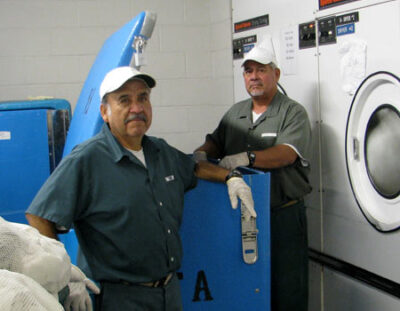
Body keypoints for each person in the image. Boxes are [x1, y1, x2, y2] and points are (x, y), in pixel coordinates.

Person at [26, 66, 256, 311]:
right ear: (105, 112)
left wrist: (230, 177)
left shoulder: (159, 150)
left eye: (143, 98)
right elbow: (39, 216)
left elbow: (193, 168)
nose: (136, 108)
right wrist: (65, 276)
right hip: (119, 297)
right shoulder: (87, 159)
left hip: (169, 291)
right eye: (124, 100)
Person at [194, 42, 312, 311]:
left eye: (261, 70)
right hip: (240, 215)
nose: (254, 77)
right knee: (246, 285)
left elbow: (287, 154)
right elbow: (215, 141)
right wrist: (200, 154)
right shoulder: (235, 112)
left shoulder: (292, 112)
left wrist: (247, 158)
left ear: (276, 74)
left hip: (282, 215)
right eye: (248, 71)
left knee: (287, 288)